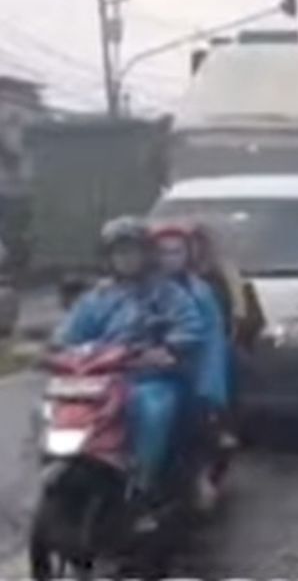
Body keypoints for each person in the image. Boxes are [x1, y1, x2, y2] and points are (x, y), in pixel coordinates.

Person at [55, 217, 204, 511]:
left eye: (132, 251)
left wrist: (168, 348)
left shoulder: (167, 293)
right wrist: (55, 350)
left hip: (149, 377)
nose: (126, 259)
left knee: (152, 408)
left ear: (146, 254)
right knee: (57, 405)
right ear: (108, 258)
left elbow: (190, 326)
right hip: (99, 378)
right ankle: (70, 461)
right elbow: (70, 334)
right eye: (119, 253)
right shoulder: (96, 297)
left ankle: (143, 481)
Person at [149, 221, 232, 510]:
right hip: (138, 372)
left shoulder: (200, 293)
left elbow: (211, 343)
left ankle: (197, 477)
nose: (169, 258)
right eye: (162, 251)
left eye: (176, 251)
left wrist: (208, 389)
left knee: (191, 422)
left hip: (185, 375)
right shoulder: (137, 288)